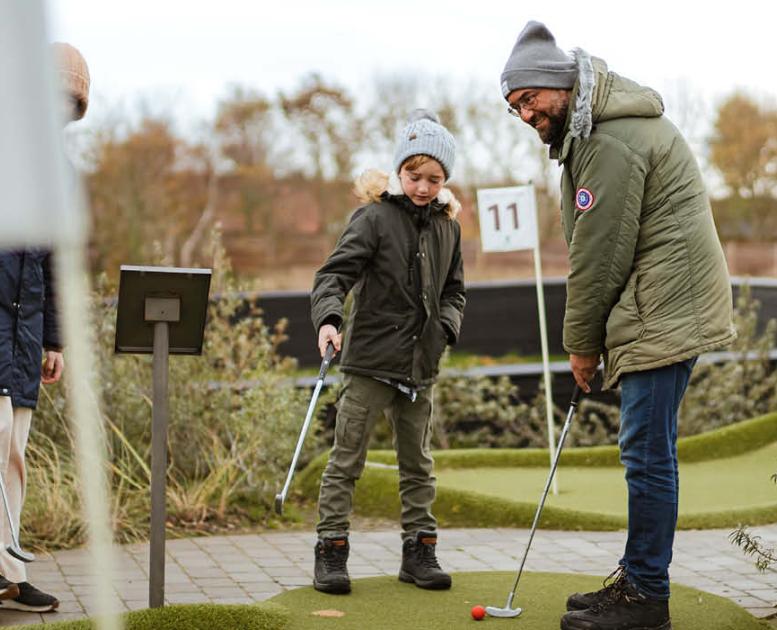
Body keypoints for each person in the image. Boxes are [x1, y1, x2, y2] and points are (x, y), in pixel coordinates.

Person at [500, 21, 736, 630]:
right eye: (514, 106)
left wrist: (580, 347)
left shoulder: (607, 141)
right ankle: (638, 579)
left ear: (560, 85)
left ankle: (645, 597)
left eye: (529, 98)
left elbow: (598, 256)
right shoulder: (596, 130)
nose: (524, 114)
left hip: (664, 306)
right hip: (661, 300)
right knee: (647, 451)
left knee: (647, 455)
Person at [309, 109, 465, 595]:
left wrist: (444, 329)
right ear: (399, 172)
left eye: (434, 179)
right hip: (368, 364)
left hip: (421, 366)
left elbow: (455, 291)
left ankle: (419, 555)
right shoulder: (373, 218)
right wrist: (330, 318)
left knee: (418, 464)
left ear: (445, 180)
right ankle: (331, 553)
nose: (423, 187)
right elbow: (333, 276)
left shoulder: (448, 228)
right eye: (414, 176)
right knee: (346, 461)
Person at [0, 42, 90, 614]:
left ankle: (6, 571)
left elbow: (55, 264)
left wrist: (54, 339)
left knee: (14, 458)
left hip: (26, 339)